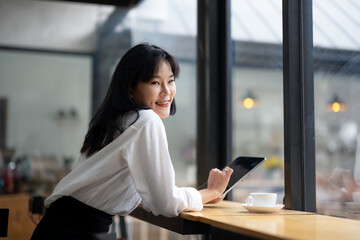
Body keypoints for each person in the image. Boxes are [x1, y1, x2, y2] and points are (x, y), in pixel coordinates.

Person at [30, 43, 233, 240]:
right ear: (131, 89)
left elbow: (153, 198)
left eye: (170, 81)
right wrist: (210, 191)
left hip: (61, 225)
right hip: (74, 231)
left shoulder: (118, 121)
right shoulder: (145, 121)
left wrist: (202, 196)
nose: (166, 91)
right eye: (155, 83)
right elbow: (166, 202)